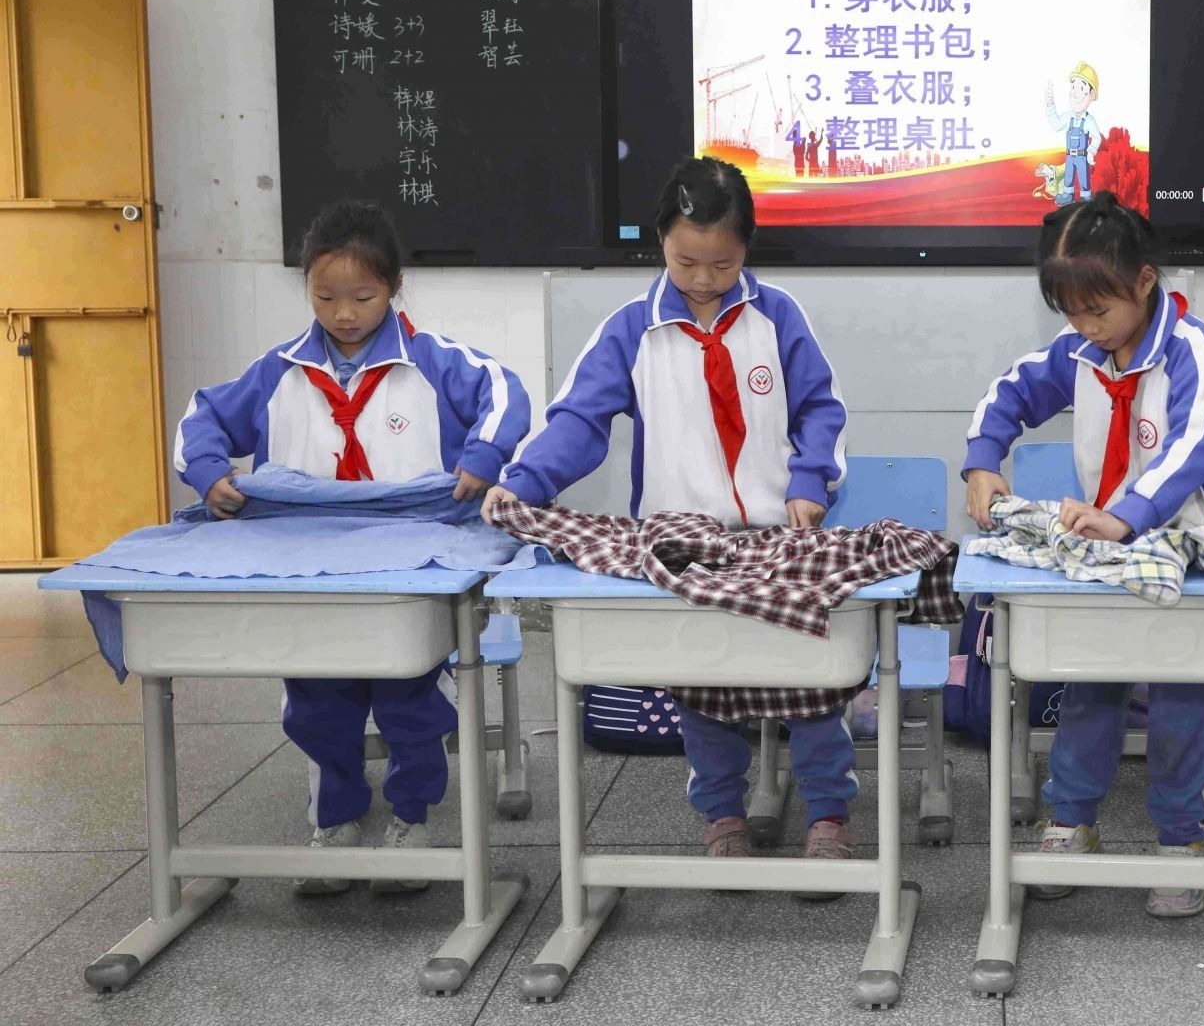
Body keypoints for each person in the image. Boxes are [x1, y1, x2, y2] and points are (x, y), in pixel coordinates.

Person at [484, 158, 859, 879]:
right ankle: (722, 813)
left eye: (723, 263)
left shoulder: (778, 316)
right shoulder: (632, 330)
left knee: (815, 682)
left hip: (778, 537)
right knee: (702, 684)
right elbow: (579, 421)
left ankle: (827, 813)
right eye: (686, 261)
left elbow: (821, 409)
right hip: (683, 542)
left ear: (747, 247)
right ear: (660, 240)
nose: (704, 278)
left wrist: (811, 480)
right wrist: (523, 485)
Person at [173, 201, 530, 894]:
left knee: (410, 698)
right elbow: (203, 415)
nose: (343, 314)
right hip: (307, 568)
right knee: (317, 697)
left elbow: (503, 392)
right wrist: (210, 472)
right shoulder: (279, 371)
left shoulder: (434, 361)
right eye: (325, 297)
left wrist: (484, 456)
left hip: (408, 567)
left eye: (363, 297)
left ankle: (411, 818)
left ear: (393, 286)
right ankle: (335, 818)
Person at [962, 191, 1204, 918]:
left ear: (1144, 280)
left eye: (1096, 310)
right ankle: (1071, 819)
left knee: (1182, 695)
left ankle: (1182, 838)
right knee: (1088, 678)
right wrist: (981, 460)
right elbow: (1008, 393)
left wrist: (1127, 516)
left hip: (1199, 537)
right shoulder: (1080, 349)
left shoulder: (1195, 348)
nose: (1084, 327)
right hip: (1115, 536)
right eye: (1070, 312)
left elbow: (1191, 452)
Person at [1043, 62, 1104, 204]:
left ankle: (1086, 198)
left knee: (1083, 177)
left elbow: (1097, 137)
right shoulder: (1068, 117)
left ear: (1091, 94)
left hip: (1082, 156)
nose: (1075, 93)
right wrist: (1050, 104)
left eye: (1081, 88)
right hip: (1070, 156)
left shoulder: (1088, 120)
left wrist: (1091, 151)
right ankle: (1068, 195)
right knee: (1068, 176)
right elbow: (1056, 124)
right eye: (1073, 87)